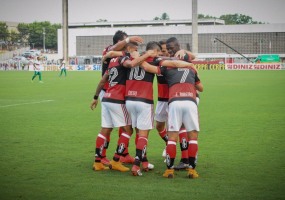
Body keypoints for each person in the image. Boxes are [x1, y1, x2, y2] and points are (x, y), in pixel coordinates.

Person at [90, 43, 155, 172]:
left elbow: (103, 81)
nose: (136, 51)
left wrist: (95, 97)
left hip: (106, 97)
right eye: (135, 49)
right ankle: (115, 161)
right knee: (128, 130)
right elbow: (131, 64)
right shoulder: (123, 59)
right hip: (117, 99)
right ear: (129, 48)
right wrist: (147, 55)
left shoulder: (112, 62)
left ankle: (97, 162)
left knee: (105, 130)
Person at [98, 30, 143, 166]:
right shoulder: (110, 50)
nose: (127, 43)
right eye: (125, 40)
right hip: (111, 93)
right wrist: (129, 45)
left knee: (122, 126)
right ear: (120, 42)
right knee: (112, 127)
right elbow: (111, 52)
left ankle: (123, 154)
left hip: (115, 93)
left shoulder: (120, 55)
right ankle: (104, 157)